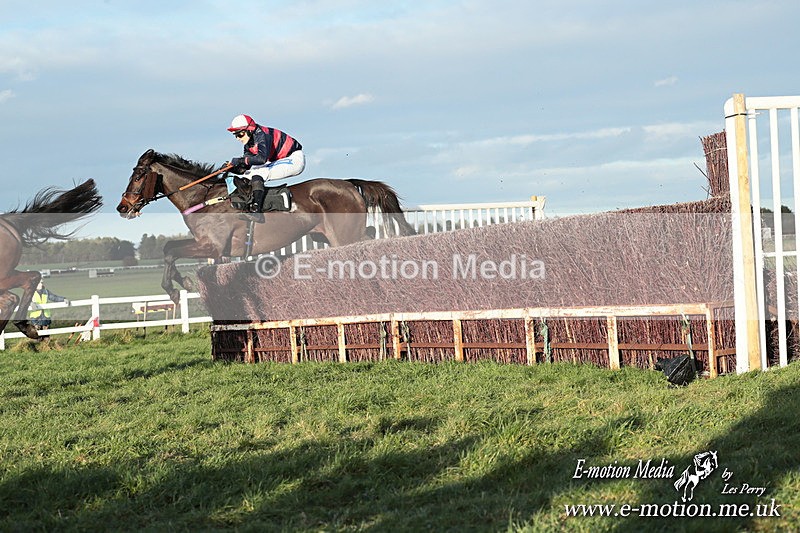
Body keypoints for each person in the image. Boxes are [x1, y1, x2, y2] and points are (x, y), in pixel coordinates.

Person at [225, 114, 305, 221]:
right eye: (235, 135)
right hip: (280, 160)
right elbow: (246, 167)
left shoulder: (262, 135)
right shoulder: (249, 144)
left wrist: (239, 160)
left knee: (260, 173)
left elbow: (261, 159)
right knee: (248, 175)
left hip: (294, 159)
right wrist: (232, 168)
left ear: (249, 130)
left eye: (240, 134)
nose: (238, 138)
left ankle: (256, 210)